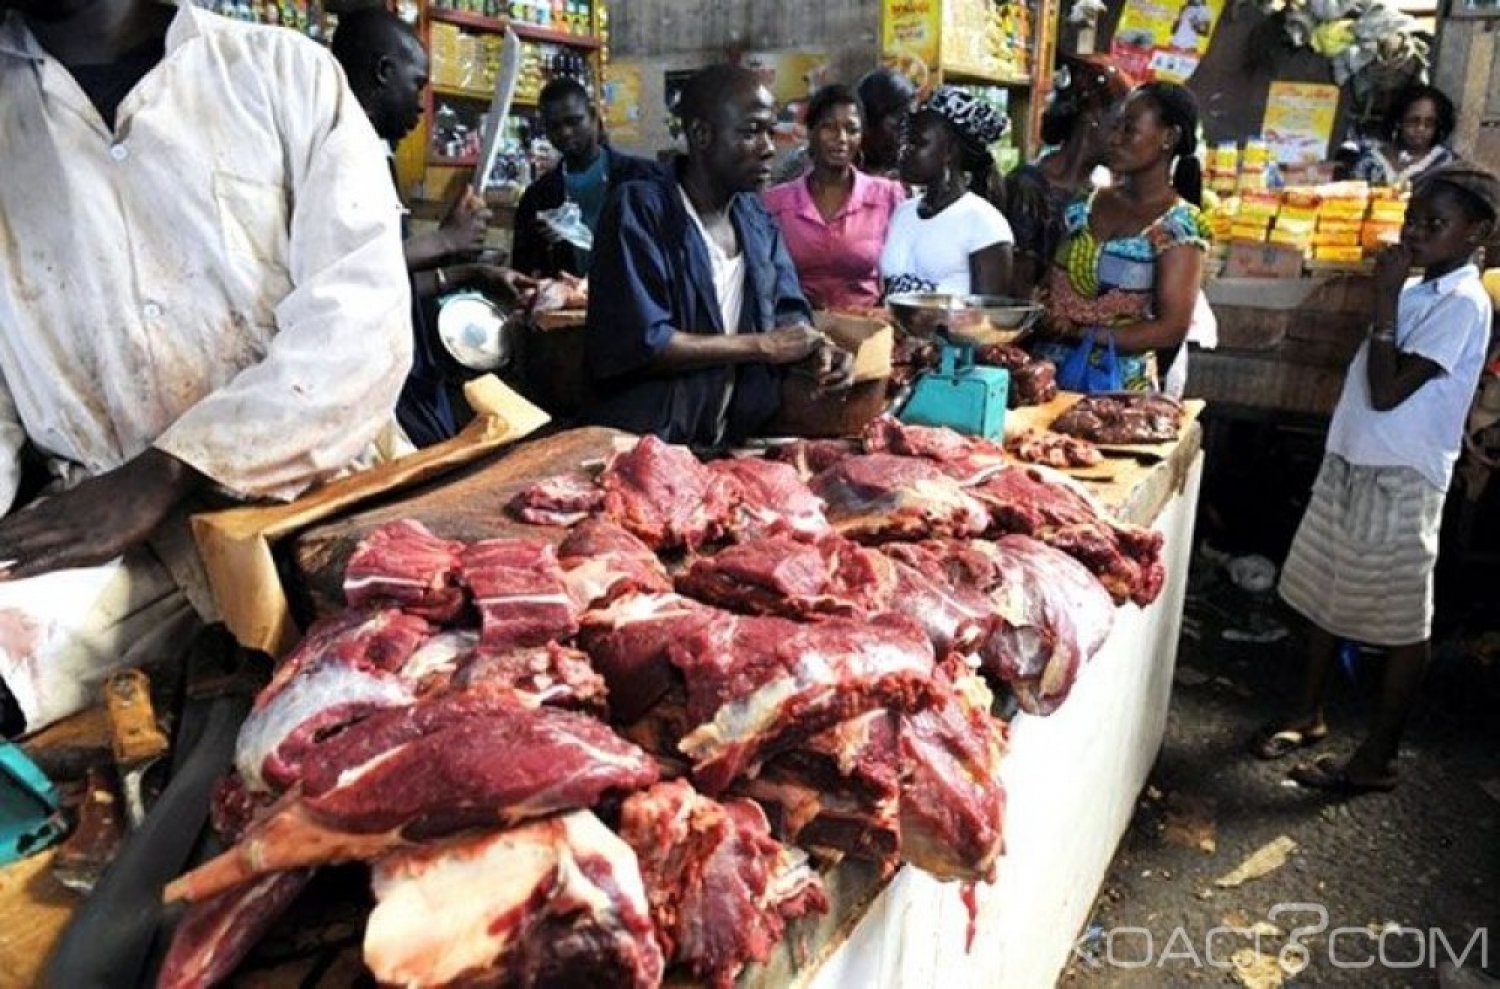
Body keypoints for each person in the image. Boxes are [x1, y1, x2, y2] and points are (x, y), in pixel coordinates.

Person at [0, 0, 411, 734]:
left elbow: (361, 320)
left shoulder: (283, 72)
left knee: (419, 702)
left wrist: (168, 468)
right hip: (106, 530)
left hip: (328, 495)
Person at [1252, 163, 1498, 794]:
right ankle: (1308, 711)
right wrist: (1392, 297)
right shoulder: (1418, 290)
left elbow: (1388, 391)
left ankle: (1379, 758)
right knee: (1323, 589)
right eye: (1413, 218)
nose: (1416, 232)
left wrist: (1383, 300)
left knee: (1399, 623)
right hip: (1354, 459)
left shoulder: (1463, 305)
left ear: (1477, 234)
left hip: (1402, 477)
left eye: (1434, 224)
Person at [585, 63, 854, 446]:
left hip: (726, 439)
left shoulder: (755, 218)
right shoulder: (641, 210)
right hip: (646, 444)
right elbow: (644, 340)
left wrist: (818, 350)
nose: (767, 148)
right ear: (701, 135)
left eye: (769, 131)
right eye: (750, 132)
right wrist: (761, 346)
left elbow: (787, 310)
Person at [332, 7, 529, 446]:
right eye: (416, 84)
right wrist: (444, 240)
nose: (422, 103)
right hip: (362, 383)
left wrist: (469, 271)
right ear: (384, 72)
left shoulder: (374, 154)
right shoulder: (338, 154)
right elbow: (346, 272)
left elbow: (389, 283)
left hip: (404, 370)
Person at [1031, 81, 1209, 395]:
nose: (1113, 140)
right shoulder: (1084, 203)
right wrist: (1040, 304)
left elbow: (1170, 329)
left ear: (1169, 137)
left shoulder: (1179, 225)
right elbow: (1052, 284)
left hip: (1116, 388)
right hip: (1047, 378)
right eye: (1115, 127)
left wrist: (1081, 332)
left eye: (1129, 130)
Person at [996, 53, 1135, 297]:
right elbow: (1017, 292)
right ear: (1093, 118)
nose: (1123, 140)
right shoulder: (1027, 188)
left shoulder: (1100, 194)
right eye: (1118, 126)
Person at [763, 84, 907, 310]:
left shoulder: (889, 197)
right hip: (797, 332)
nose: (841, 138)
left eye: (851, 129)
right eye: (829, 127)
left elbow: (901, 279)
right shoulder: (775, 204)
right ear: (810, 132)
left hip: (867, 333)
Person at [511, 76, 661, 278]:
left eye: (573, 121)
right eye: (554, 126)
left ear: (593, 117)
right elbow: (522, 271)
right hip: (572, 306)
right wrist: (544, 245)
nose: (565, 132)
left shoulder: (642, 178)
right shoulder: (537, 198)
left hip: (638, 302)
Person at [879, 86, 1015, 297]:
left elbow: (988, 319)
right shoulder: (903, 213)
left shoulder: (984, 224)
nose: (905, 151)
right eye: (906, 142)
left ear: (949, 151)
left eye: (918, 143)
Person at [1352, 83, 1457, 187]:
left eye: (1429, 123)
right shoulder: (1370, 161)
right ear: (1399, 121)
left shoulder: (1446, 164)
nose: (1421, 128)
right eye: (1413, 121)